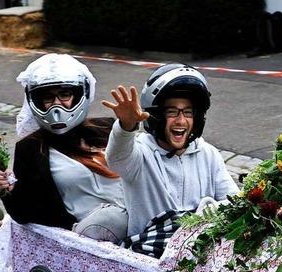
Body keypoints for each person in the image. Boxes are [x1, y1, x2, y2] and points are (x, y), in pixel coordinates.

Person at [102, 64, 238, 252]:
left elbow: (233, 202)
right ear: (157, 116)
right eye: (172, 112)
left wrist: (199, 218)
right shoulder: (141, 153)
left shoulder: (208, 154)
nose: (181, 121)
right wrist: (126, 126)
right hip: (150, 258)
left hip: (200, 256)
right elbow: (117, 157)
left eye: (188, 112)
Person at [0, 53, 128, 243]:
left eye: (65, 94)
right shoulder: (31, 147)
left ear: (80, 95)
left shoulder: (105, 128)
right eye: (48, 97)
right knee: (109, 220)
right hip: (88, 239)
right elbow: (25, 213)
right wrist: (5, 191)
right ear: (37, 101)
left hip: (137, 222)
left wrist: (129, 127)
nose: (56, 105)